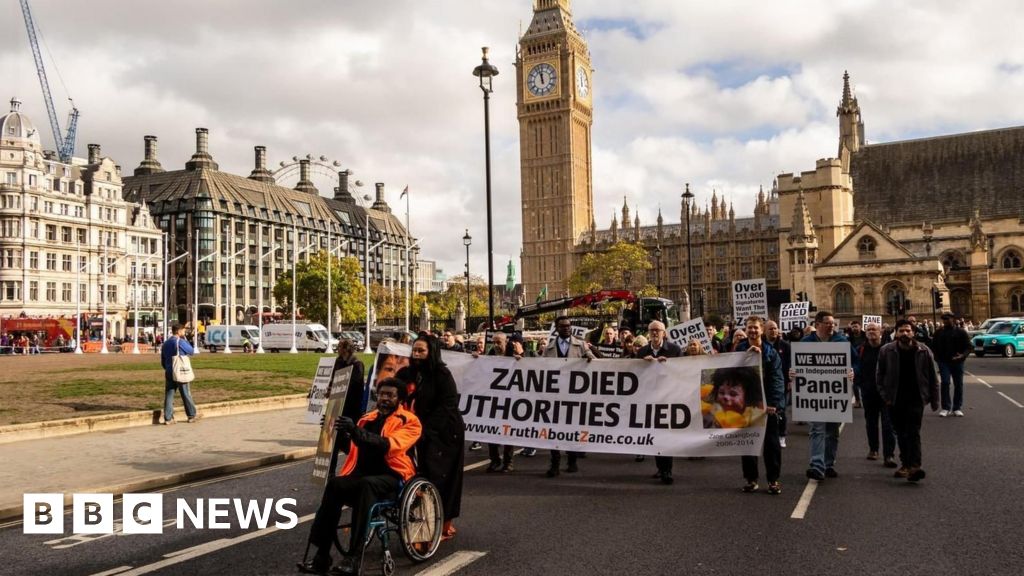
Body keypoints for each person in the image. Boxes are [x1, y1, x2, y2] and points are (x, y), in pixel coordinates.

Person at [300, 378, 421, 575]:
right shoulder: (367, 418)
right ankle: (322, 554)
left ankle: (354, 557)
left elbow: (388, 446)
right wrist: (335, 431)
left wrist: (354, 430)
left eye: (390, 395)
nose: (385, 399)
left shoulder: (409, 421)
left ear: (400, 399)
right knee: (334, 485)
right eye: (382, 394)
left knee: (367, 485)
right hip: (363, 474)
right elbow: (354, 449)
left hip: (393, 477)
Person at [396, 334, 464, 541]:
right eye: (414, 350)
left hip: (444, 434)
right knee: (418, 474)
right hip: (417, 431)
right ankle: (421, 518)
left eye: (421, 351)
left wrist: (424, 430)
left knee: (441, 478)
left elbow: (447, 406)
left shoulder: (442, 375)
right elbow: (392, 392)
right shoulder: (407, 373)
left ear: (431, 352)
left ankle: (442, 525)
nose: (416, 355)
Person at [876, 319, 939, 482]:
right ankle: (906, 464)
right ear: (895, 333)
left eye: (908, 330)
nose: (905, 333)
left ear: (913, 332)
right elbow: (879, 376)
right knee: (901, 433)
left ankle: (915, 466)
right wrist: (885, 397)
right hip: (894, 399)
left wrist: (934, 400)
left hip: (916, 398)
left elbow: (933, 377)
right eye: (901, 331)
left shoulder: (924, 351)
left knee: (913, 432)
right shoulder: (886, 350)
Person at [798, 311, 857, 481]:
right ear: (817, 325)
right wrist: (793, 373)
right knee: (817, 429)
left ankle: (828, 464)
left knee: (832, 431)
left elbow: (855, 362)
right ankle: (817, 466)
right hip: (814, 394)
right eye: (827, 323)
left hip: (836, 394)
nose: (831, 325)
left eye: (833, 323)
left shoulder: (842, 341)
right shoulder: (806, 342)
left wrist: (853, 372)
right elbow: (796, 365)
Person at [734, 316, 784, 494]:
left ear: (761, 330)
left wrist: (773, 403)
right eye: (750, 328)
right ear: (745, 330)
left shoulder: (771, 352)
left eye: (756, 328)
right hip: (746, 404)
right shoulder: (739, 349)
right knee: (748, 443)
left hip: (766, 406)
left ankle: (773, 480)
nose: (753, 331)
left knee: (771, 445)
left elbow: (777, 380)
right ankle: (751, 479)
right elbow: (731, 374)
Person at [542, 316, 595, 477]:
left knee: (572, 429)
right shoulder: (549, 348)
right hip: (555, 395)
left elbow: (594, 360)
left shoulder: (581, 345)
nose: (567, 328)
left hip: (574, 395)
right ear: (556, 328)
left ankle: (572, 461)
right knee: (554, 430)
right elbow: (540, 368)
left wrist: (589, 358)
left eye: (569, 326)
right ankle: (555, 463)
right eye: (563, 326)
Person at [636, 320, 683, 485]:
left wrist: (669, 366)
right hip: (649, 400)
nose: (655, 333)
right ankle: (660, 467)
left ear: (664, 333)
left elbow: (683, 373)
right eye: (652, 330)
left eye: (658, 330)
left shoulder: (675, 350)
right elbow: (633, 375)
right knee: (655, 435)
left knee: (666, 435)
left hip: (668, 399)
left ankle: (667, 470)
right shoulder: (642, 351)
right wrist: (642, 365)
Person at [857, 322, 897, 467]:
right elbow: (856, 368)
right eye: (868, 330)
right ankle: (873, 449)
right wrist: (859, 382)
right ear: (865, 333)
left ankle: (889, 455)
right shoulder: (861, 349)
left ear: (880, 332)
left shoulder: (889, 349)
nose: (871, 332)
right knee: (871, 423)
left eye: (874, 329)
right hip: (868, 392)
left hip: (886, 393)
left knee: (888, 425)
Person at [931, 313, 971, 417]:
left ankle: (957, 407)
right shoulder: (939, 332)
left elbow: (969, 347)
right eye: (944, 320)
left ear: (953, 319)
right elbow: (933, 346)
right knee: (945, 382)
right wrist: (937, 358)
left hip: (958, 362)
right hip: (944, 362)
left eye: (947, 319)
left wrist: (962, 356)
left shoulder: (961, 332)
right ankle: (946, 407)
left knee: (958, 384)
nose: (945, 322)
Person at [160, 322, 198, 425]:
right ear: (179, 331)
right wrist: (186, 339)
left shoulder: (166, 343)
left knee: (169, 394)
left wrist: (167, 367)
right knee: (185, 393)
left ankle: (168, 418)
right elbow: (191, 351)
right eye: (183, 330)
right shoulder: (180, 342)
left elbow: (163, 360)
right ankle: (191, 415)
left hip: (169, 370)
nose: (184, 332)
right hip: (180, 370)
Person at [763, 321, 791, 448]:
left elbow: (791, 363)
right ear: (764, 331)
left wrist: (790, 380)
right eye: (770, 329)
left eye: (775, 328)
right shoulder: (762, 345)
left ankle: (781, 435)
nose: (773, 331)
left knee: (781, 409)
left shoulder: (785, 345)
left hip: (781, 382)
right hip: (764, 383)